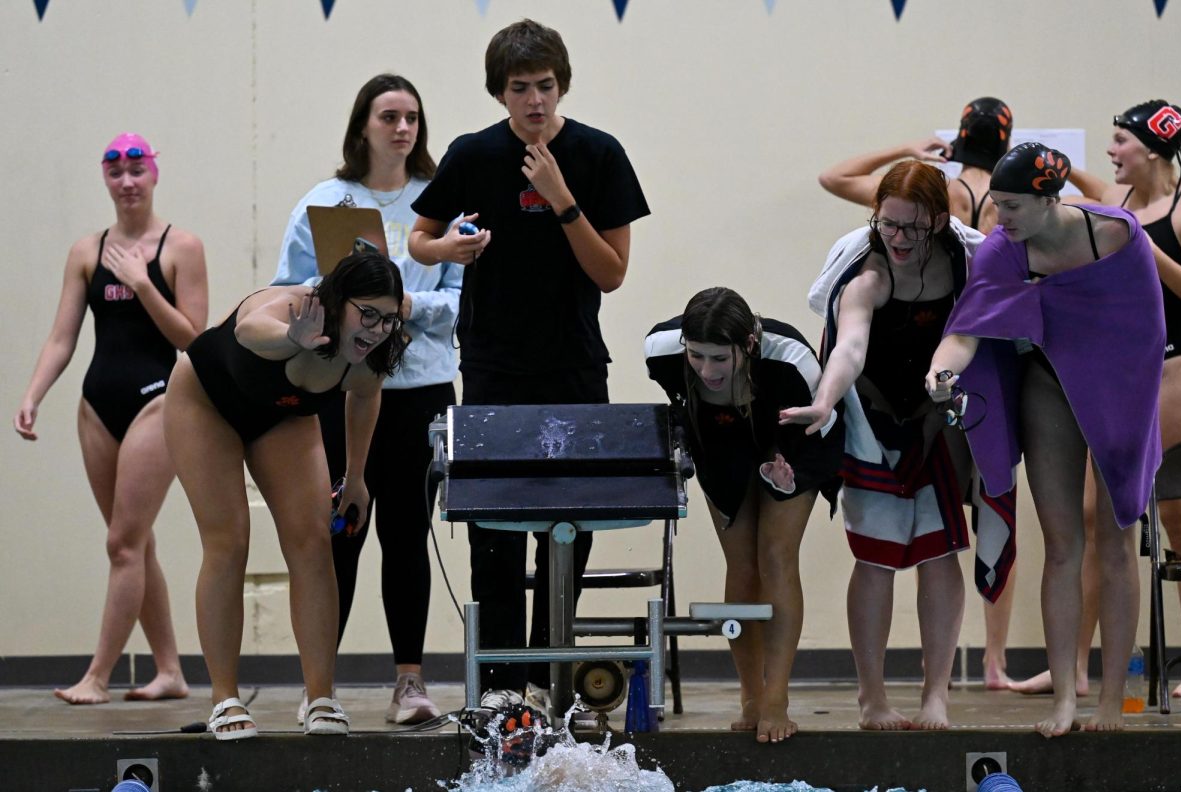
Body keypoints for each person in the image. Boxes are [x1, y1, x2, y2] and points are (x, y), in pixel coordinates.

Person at [408, 18, 650, 713]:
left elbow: (611, 274)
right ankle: (499, 689)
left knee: (567, 532)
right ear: (500, 93)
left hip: (573, 366)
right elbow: (419, 240)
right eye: (521, 88)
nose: (535, 101)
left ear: (562, 84)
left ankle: (555, 680)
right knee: (493, 532)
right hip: (492, 367)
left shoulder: (598, 154)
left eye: (545, 85)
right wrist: (446, 251)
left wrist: (561, 197)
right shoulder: (473, 154)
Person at [928, 143, 1164, 737]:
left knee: (1115, 541)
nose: (999, 219)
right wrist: (940, 372)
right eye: (998, 205)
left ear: (1048, 198)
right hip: (1048, 385)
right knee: (1061, 545)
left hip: (1118, 386)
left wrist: (1131, 415)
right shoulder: (1005, 252)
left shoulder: (1118, 238)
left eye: (1011, 206)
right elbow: (968, 329)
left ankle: (1112, 700)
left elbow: (1145, 331)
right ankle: (1065, 698)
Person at [786, 160, 1014, 730]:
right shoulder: (867, 270)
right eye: (889, 225)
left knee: (940, 553)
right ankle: (873, 697)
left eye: (913, 227)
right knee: (877, 555)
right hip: (872, 415)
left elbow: (969, 334)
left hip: (936, 416)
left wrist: (940, 387)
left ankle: (936, 694)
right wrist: (824, 401)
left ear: (939, 220)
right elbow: (850, 347)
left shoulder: (968, 259)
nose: (900, 239)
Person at [273, 73, 461, 725]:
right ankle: (317, 685)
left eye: (412, 116)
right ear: (362, 126)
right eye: (389, 116)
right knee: (337, 533)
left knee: (407, 532)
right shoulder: (325, 202)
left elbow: (468, 300)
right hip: (340, 387)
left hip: (420, 389)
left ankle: (409, 681)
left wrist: (409, 304)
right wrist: (336, 303)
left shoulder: (442, 205)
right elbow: (285, 290)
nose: (403, 128)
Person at [163, 251, 405, 739]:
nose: (377, 329)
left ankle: (320, 699)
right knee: (229, 541)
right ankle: (225, 699)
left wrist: (355, 476)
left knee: (314, 542)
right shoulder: (295, 308)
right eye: (368, 314)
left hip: (283, 417)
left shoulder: (370, 350)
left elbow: (365, 395)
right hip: (206, 401)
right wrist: (292, 338)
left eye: (389, 318)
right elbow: (248, 328)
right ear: (339, 301)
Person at [1012, 100, 1181, 700]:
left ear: (1153, 147)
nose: (1111, 152)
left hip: (1176, 368)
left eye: (1119, 140)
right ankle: (1074, 665)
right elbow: (1056, 177)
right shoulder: (1112, 202)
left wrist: (1146, 245)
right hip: (1113, 372)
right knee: (1096, 523)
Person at [14, 133, 207, 705]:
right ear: (106, 179)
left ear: (153, 175)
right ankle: (170, 670)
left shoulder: (181, 246)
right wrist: (33, 393)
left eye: (137, 170)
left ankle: (97, 676)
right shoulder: (86, 250)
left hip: (158, 400)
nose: (127, 182)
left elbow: (193, 338)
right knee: (134, 543)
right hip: (97, 407)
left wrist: (143, 283)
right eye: (115, 172)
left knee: (122, 543)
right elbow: (62, 337)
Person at [644, 287, 843, 743]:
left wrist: (786, 474)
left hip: (796, 439)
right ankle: (751, 694)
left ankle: (777, 697)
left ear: (749, 345)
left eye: (720, 358)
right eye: (697, 356)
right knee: (742, 563)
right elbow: (686, 408)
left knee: (776, 556)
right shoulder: (661, 351)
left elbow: (821, 430)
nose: (707, 370)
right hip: (720, 441)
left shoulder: (792, 361)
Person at [820, 97, 1013, 235]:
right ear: (1006, 147)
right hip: (996, 292)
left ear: (960, 140)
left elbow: (834, 178)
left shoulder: (928, 190)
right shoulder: (1018, 200)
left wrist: (905, 149)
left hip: (939, 290)